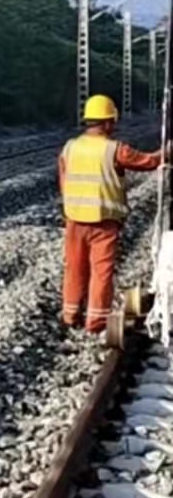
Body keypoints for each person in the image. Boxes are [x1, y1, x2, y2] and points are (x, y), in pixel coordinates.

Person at [59, 94, 163, 334]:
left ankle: (69, 315)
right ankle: (95, 322)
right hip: (103, 222)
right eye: (112, 122)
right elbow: (147, 161)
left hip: (74, 219)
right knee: (101, 271)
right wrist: (165, 153)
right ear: (107, 122)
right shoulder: (114, 149)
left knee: (74, 268)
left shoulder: (69, 148)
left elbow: (64, 181)